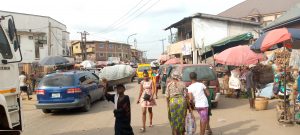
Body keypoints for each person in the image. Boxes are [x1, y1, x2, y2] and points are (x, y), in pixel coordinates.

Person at [166, 71, 188, 135]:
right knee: (182, 118)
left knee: (173, 119)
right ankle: (181, 133)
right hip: (182, 102)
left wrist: (168, 104)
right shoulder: (183, 84)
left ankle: (175, 133)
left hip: (172, 102)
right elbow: (185, 95)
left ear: (172, 76)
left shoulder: (169, 84)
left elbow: (167, 96)